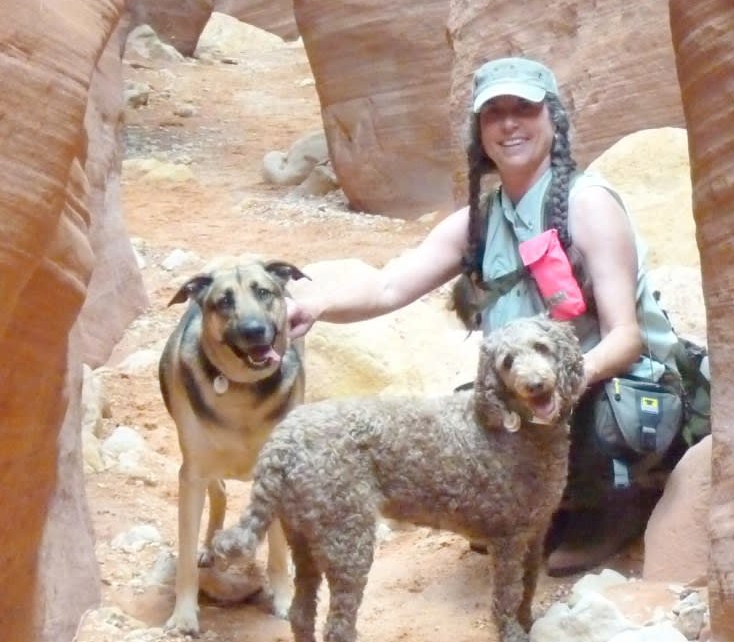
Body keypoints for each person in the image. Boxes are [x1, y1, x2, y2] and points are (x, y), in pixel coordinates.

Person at [287, 56, 685, 575]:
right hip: (533, 387)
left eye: (524, 108)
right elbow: (389, 286)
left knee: (596, 415)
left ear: (553, 121)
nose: (509, 124)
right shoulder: (477, 221)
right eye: (493, 113)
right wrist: (315, 305)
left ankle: (612, 506)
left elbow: (625, 336)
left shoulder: (590, 206)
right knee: (461, 420)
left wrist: (567, 379)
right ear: (479, 133)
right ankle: (542, 511)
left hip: (610, 385)